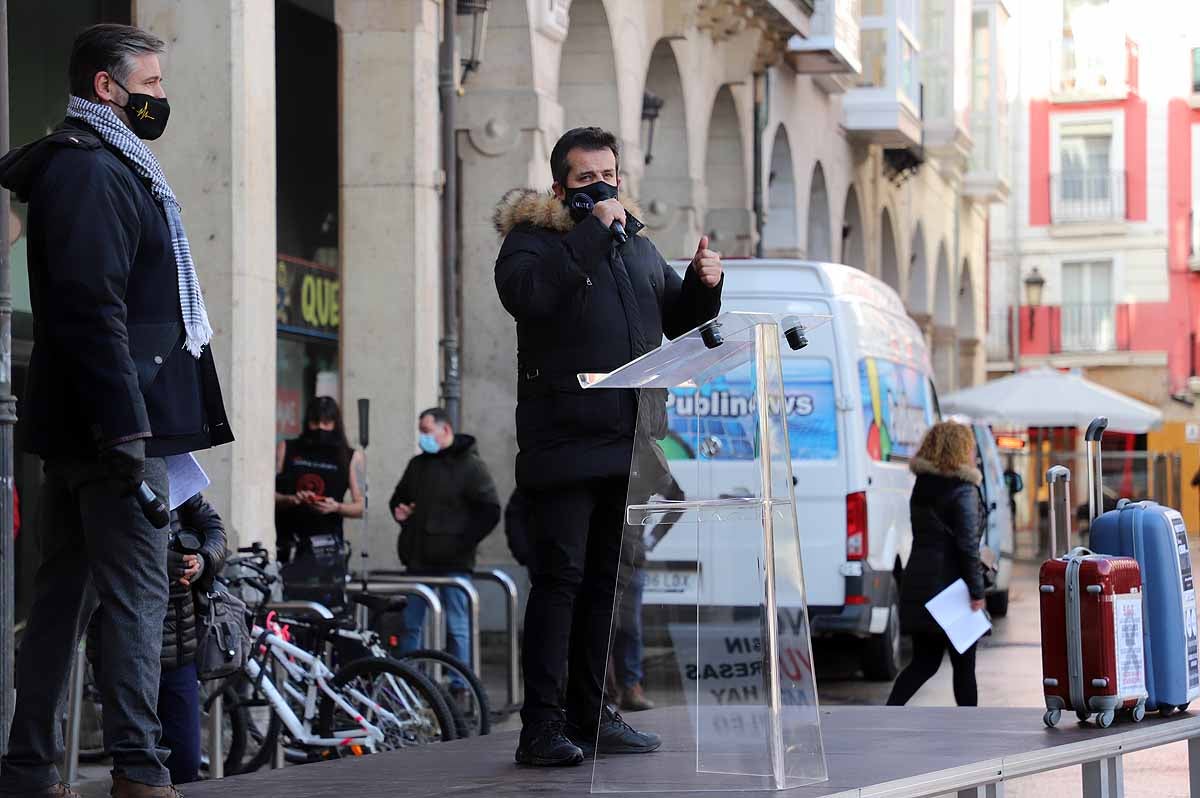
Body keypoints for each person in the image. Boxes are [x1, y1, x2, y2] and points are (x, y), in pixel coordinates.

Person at [0, 24, 233, 798]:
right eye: (153, 83)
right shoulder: (93, 171)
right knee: (136, 596)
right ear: (107, 86)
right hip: (113, 430)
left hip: (98, 423)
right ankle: (138, 767)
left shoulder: (108, 165)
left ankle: (31, 766)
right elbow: (91, 307)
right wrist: (130, 428)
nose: (162, 97)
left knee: (65, 598)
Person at [494, 126, 723, 766]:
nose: (602, 186)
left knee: (605, 587)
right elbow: (530, 299)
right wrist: (594, 229)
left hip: (627, 444)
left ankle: (591, 714)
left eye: (609, 175)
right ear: (560, 184)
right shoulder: (531, 241)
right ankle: (541, 727)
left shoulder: (638, 248)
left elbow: (678, 322)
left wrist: (705, 285)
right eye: (586, 178)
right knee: (560, 582)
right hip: (564, 441)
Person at [89, 494, 227, 785]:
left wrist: (201, 561)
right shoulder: (108, 475)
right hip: (126, 652)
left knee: (186, 763)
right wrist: (154, 560)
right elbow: (95, 545)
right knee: (136, 770)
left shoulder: (179, 473)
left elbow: (215, 530)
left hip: (179, 650)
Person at [388, 408, 501, 686]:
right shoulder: (418, 465)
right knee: (411, 624)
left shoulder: (470, 466)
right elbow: (399, 499)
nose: (422, 437)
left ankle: (460, 685)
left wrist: (462, 543)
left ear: (445, 430)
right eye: (421, 431)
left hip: (454, 562)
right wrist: (400, 512)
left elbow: (490, 510)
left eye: (427, 431)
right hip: (418, 558)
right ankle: (411, 683)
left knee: (457, 626)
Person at [887, 421, 985, 708]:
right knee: (964, 667)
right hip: (953, 590)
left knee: (924, 662)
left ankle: (888, 712)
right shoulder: (964, 490)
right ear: (961, 449)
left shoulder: (922, 485)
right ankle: (970, 727)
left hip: (919, 583)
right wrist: (977, 592)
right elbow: (967, 545)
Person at [274, 396, 365, 561]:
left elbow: (362, 507)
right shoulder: (286, 448)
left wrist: (336, 507)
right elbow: (266, 496)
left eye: (326, 424)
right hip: (288, 540)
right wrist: (290, 499)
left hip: (327, 545)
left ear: (335, 424)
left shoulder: (350, 457)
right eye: (315, 423)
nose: (320, 428)